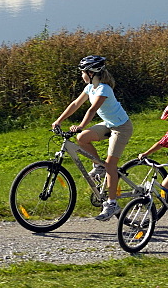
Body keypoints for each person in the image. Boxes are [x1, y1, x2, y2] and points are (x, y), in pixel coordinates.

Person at [52, 55, 133, 221]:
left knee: (111, 163)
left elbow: (92, 109)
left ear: (91, 72)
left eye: (83, 72)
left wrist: (81, 125)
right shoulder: (90, 88)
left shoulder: (104, 89)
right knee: (82, 138)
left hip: (122, 127)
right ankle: (99, 166)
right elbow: (75, 104)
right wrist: (58, 120)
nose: (81, 75)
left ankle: (112, 203)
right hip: (109, 124)